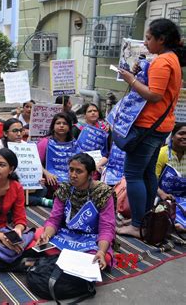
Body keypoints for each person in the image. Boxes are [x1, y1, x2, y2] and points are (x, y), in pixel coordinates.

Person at [117, 18, 183, 237]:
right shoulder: (169, 59)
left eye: (148, 38)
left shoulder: (163, 62)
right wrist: (139, 74)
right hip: (160, 126)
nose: (145, 43)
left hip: (148, 127)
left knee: (133, 174)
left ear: (161, 40)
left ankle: (137, 225)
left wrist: (131, 80)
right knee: (147, 173)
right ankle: (143, 218)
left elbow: (154, 95)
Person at [39, 153, 116, 270]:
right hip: (67, 234)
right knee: (39, 235)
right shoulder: (65, 188)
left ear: (91, 174)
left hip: (91, 238)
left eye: (79, 171)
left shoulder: (103, 193)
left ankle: (61, 260)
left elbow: (107, 227)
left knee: (101, 257)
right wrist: (47, 235)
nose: (73, 175)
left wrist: (101, 251)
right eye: (71, 170)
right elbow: (54, 219)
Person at [37, 113, 77, 197]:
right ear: (53, 126)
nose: (61, 126)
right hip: (51, 178)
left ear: (69, 127)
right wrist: (47, 173)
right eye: (58, 123)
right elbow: (36, 163)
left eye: (65, 123)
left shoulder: (74, 143)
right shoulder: (44, 142)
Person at [155, 123, 186, 231]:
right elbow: (152, 179)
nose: (185, 137)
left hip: (183, 199)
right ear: (172, 136)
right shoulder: (162, 153)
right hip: (163, 197)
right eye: (181, 133)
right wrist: (162, 194)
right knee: (163, 210)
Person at [73, 103, 110, 174]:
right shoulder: (77, 128)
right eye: (90, 111)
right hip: (80, 162)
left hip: (100, 163)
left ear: (98, 114)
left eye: (95, 111)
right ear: (85, 115)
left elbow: (107, 148)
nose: (93, 113)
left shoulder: (105, 129)